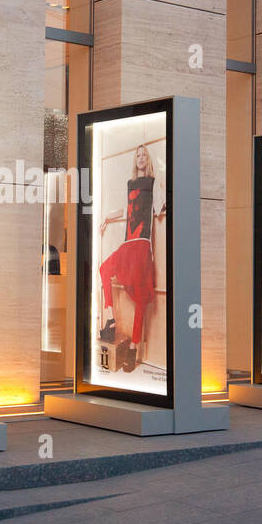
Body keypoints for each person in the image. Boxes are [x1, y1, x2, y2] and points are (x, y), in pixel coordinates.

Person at [97, 143, 166, 373]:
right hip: (128, 244)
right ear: (134, 160)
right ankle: (111, 318)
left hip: (142, 245)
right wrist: (108, 216)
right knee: (104, 269)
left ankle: (134, 348)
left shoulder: (153, 183)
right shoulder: (130, 183)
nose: (140, 158)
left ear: (148, 159)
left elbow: (160, 207)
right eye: (137, 155)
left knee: (140, 299)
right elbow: (127, 209)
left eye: (143, 155)